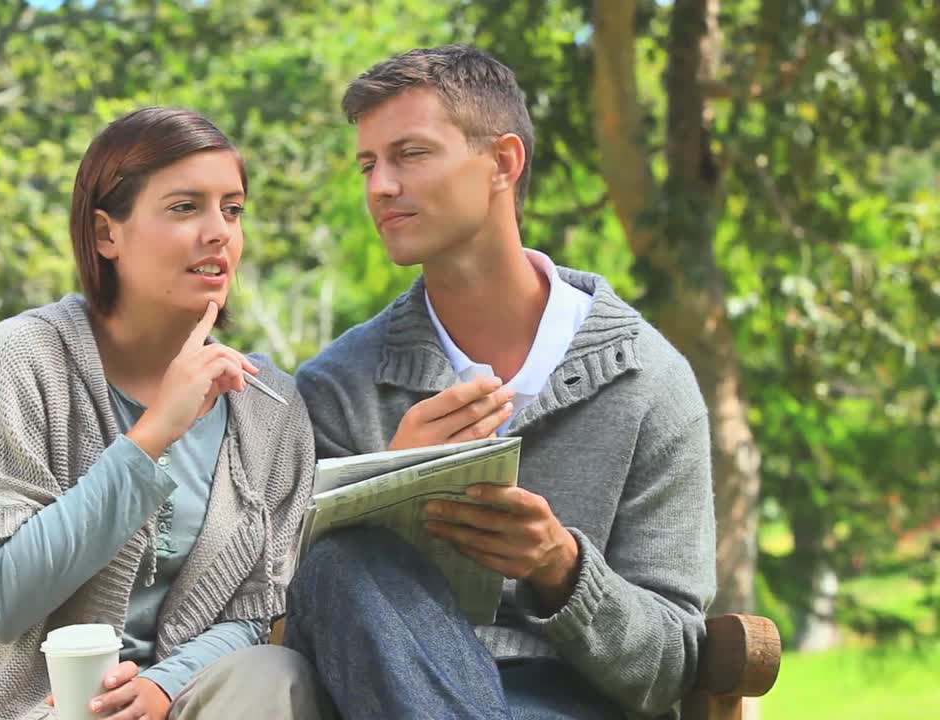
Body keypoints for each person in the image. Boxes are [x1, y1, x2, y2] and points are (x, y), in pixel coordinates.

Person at [286, 45, 717, 719]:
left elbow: (670, 668)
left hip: (575, 703)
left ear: (503, 163)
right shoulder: (339, 388)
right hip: (383, 696)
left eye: (411, 154)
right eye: (369, 164)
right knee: (343, 560)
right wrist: (384, 485)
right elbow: (291, 610)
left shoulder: (650, 382)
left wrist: (562, 569)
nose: (379, 186)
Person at [0, 107, 329, 720]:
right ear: (107, 234)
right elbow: (1, 599)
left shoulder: (268, 406)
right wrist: (153, 434)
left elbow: (254, 614)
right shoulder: (23, 360)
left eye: (233, 209)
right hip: (29, 709)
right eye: (185, 207)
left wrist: (166, 685)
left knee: (275, 673)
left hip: (182, 705)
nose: (219, 232)